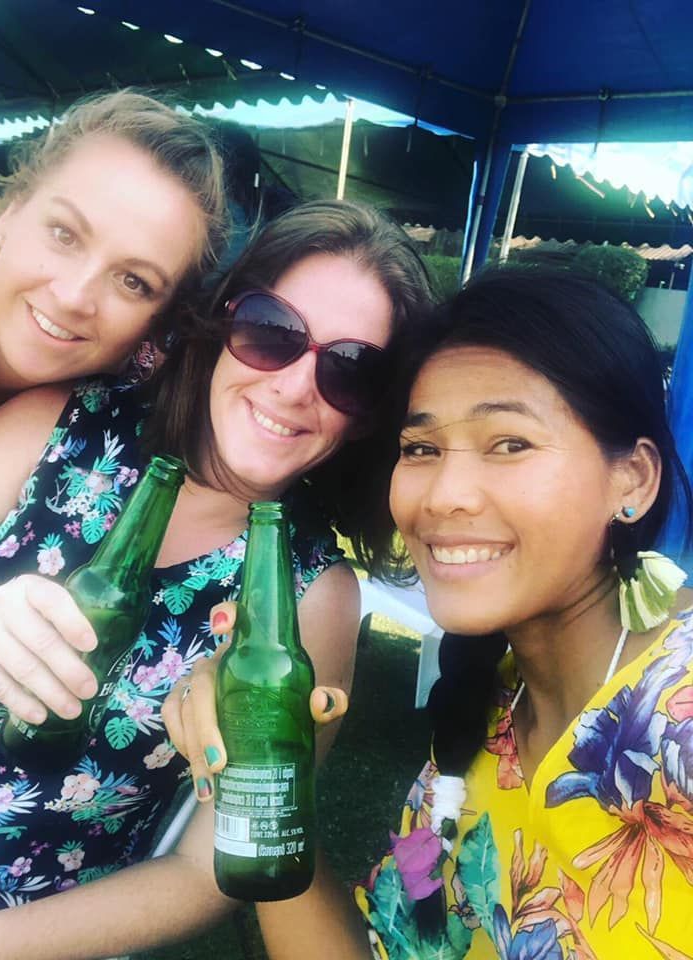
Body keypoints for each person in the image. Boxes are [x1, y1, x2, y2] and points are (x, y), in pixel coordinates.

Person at [0, 200, 432, 959]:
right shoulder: (60, 425)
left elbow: (210, 867)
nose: (296, 387)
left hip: (0, 924)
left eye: (350, 370)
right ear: (224, 327)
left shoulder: (312, 595)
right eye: (273, 332)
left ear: (369, 416)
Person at [167, 267, 693, 959]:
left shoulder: (675, 725)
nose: (444, 495)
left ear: (633, 480)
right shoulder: (488, 720)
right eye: (421, 449)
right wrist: (259, 774)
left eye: (510, 443)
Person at [0, 88, 228, 519]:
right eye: (64, 234)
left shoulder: (116, 415)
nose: (73, 296)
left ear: (157, 325)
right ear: (10, 213)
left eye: (132, 281)